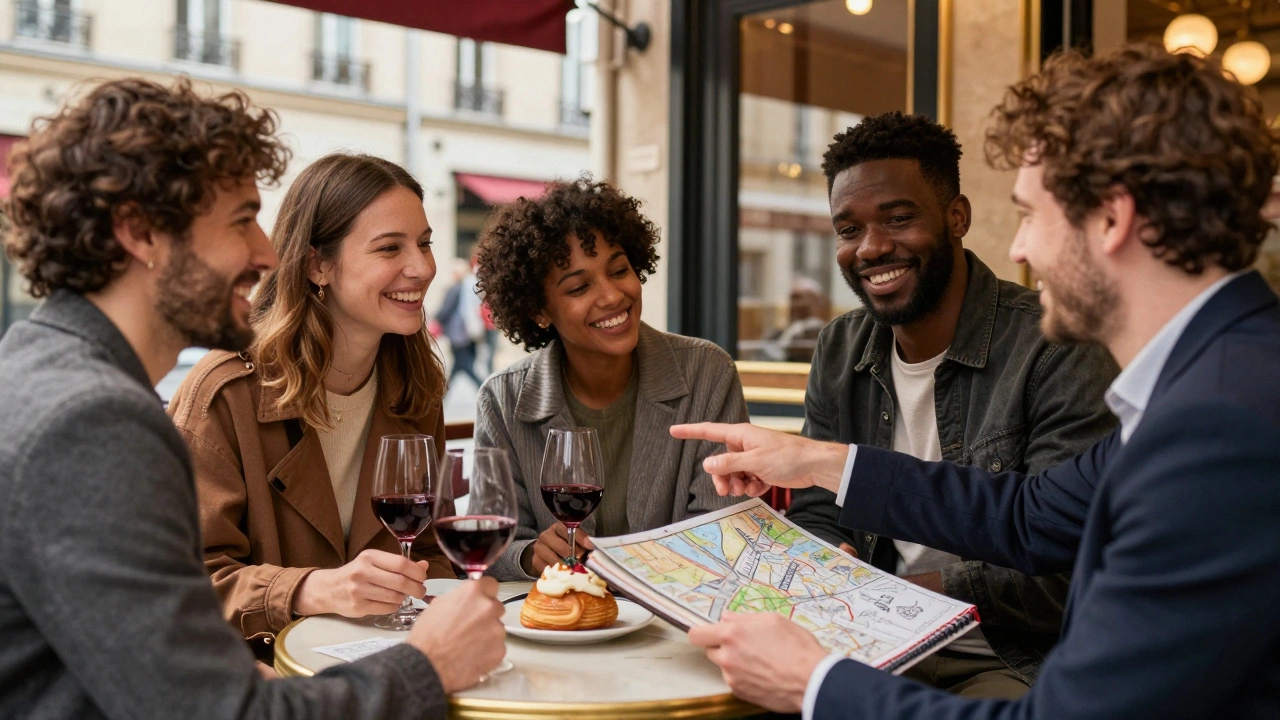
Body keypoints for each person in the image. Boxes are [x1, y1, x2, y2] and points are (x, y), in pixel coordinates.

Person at [671, 44, 1280, 719]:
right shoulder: (1219, 379)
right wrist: (819, 461)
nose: (1019, 249)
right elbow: (1028, 516)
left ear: (1112, 218)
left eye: (1029, 214)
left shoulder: (1221, 428)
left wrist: (814, 683)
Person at [0, 77, 504, 719]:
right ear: (139, 232)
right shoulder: (93, 422)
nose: (267, 252)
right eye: (242, 221)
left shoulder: (45, 373)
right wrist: (426, 668)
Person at [783, 111, 1118, 697]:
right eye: (848, 229)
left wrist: (902, 594)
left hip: (1009, 657)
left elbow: (1069, 570)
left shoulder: (1055, 346)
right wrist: (830, 562)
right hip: (865, 639)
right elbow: (818, 510)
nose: (871, 247)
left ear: (956, 217)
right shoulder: (839, 347)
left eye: (898, 218)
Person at [167, 153, 457, 652]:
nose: (423, 267)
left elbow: (430, 548)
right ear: (317, 265)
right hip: (262, 676)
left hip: (387, 663)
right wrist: (308, 589)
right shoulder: (225, 393)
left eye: (425, 243)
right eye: (390, 248)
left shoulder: (415, 386)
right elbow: (182, 584)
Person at [473, 177, 749, 580]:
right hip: (558, 615)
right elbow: (487, 543)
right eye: (579, 287)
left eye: (619, 270)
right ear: (538, 310)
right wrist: (529, 555)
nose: (612, 296)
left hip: (674, 611)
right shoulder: (503, 400)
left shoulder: (707, 373)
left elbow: (725, 529)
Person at [435, 258, 486, 389]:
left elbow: (446, 309)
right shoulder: (469, 287)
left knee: (464, 364)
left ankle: (485, 388)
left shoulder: (456, 288)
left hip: (458, 333)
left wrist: (436, 320)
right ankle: (444, 391)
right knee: (460, 364)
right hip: (467, 332)